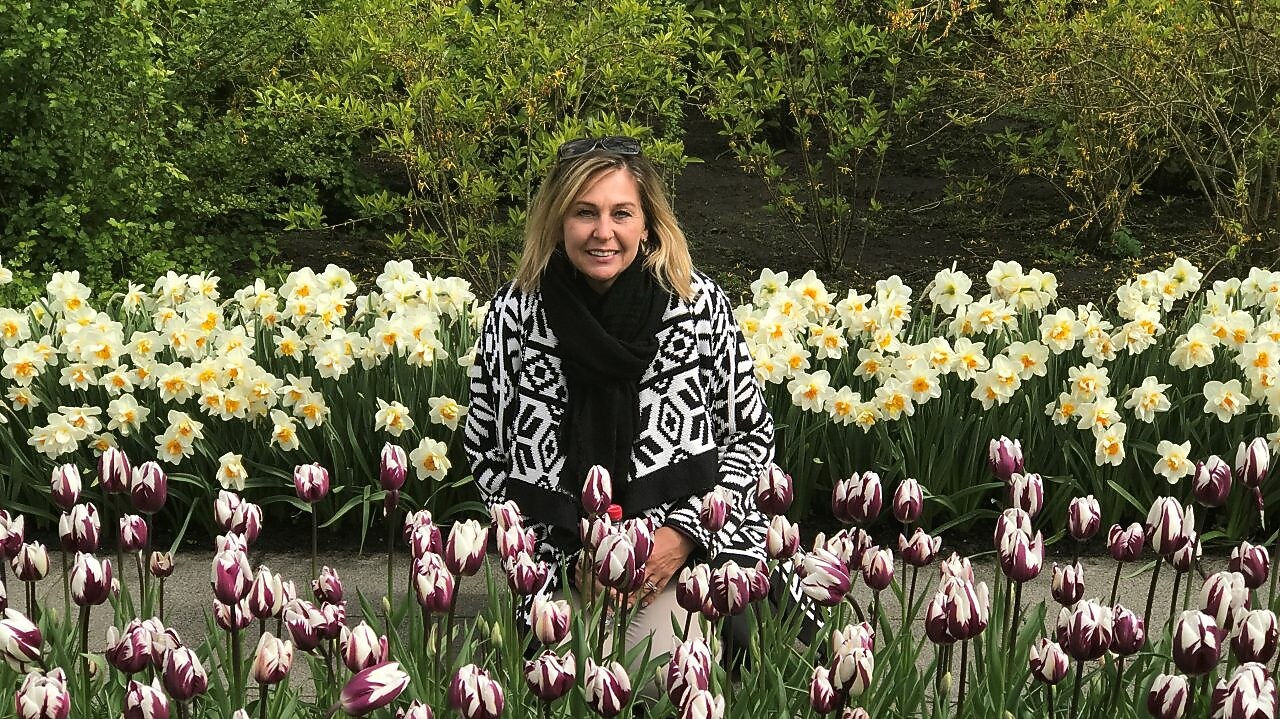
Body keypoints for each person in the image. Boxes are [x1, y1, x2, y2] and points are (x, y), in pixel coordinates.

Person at [462, 136, 775, 667]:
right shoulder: (515, 316)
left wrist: (683, 536)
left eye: (620, 213)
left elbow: (750, 436)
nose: (602, 232)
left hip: (679, 554)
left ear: (647, 223)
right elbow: (485, 450)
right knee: (566, 677)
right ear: (558, 222)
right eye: (585, 213)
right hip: (563, 556)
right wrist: (559, 547)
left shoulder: (697, 307)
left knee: (666, 674)